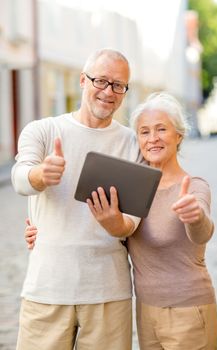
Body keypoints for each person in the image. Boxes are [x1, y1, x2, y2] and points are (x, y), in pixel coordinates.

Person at [11, 48, 142, 350]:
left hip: (108, 292)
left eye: (118, 85)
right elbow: (20, 177)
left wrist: (117, 224)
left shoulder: (133, 143)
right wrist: (40, 175)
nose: (109, 92)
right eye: (101, 81)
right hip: (47, 288)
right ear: (82, 80)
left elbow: (134, 221)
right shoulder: (44, 130)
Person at [70, 92, 217, 349]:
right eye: (144, 132)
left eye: (162, 129)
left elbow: (202, 232)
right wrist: (38, 231)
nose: (153, 139)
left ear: (179, 135)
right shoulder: (132, 186)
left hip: (188, 309)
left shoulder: (193, 186)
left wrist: (195, 217)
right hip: (146, 311)